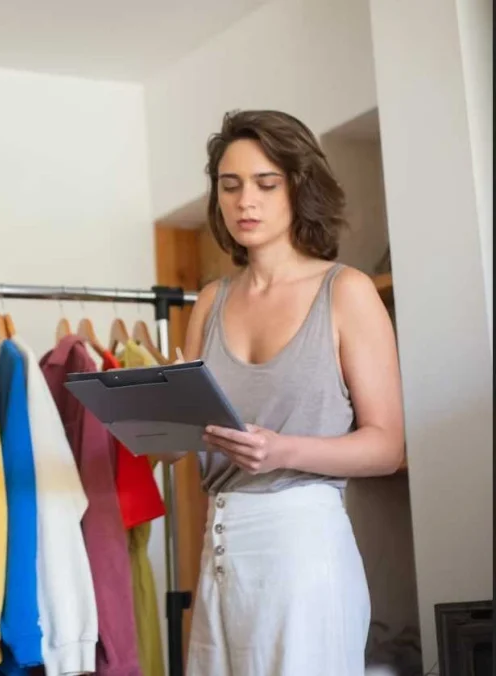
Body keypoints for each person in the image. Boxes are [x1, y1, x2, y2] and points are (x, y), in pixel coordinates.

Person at [176, 110, 405, 676]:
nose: (244, 201)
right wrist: (156, 414)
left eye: (265, 184)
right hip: (219, 548)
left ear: (299, 187)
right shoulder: (210, 301)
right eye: (230, 186)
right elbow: (180, 444)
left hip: (303, 548)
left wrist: (283, 450)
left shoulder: (345, 291)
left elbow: (387, 446)